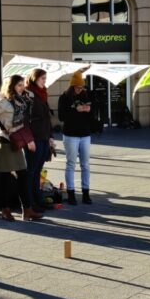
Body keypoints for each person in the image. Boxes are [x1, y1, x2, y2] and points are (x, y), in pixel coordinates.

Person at [0, 75, 38, 221]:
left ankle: (27, 210)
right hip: (5, 142)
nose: (22, 88)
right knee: (5, 179)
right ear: (11, 86)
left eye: (22, 85)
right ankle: (5, 210)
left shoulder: (21, 101)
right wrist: (1, 126)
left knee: (23, 176)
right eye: (19, 85)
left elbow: (24, 121)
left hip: (17, 142)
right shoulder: (4, 103)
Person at [58, 70, 94, 205]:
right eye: (78, 87)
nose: (80, 89)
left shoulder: (86, 95)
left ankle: (86, 193)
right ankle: (71, 193)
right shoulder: (64, 98)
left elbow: (93, 114)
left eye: (82, 87)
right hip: (70, 135)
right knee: (71, 164)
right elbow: (61, 116)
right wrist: (75, 110)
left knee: (85, 165)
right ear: (72, 86)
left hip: (85, 134)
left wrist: (89, 110)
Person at [24, 68, 55, 213]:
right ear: (34, 78)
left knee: (37, 171)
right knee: (31, 171)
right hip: (34, 137)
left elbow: (47, 118)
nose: (45, 81)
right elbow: (25, 119)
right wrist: (29, 139)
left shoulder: (43, 94)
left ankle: (38, 200)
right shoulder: (28, 93)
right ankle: (30, 203)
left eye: (45, 78)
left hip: (43, 136)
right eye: (42, 78)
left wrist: (50, 137)